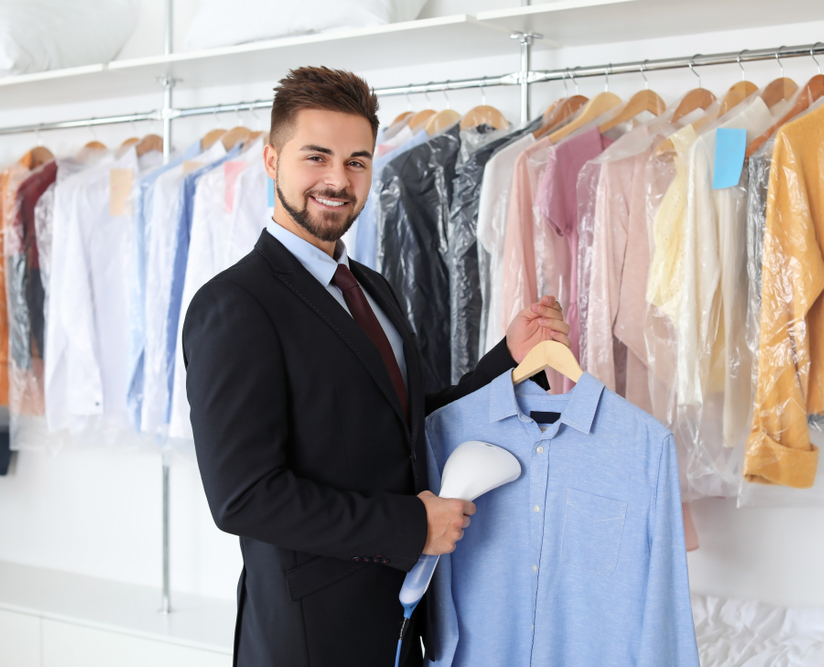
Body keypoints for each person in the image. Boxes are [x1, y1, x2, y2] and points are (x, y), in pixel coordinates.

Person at [183, 66, 571, 667]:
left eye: (357, 162)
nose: (338, 180)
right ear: (270, 159)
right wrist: (410, 527)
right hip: (312, 639)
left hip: (404, 619)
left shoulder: (372, 289)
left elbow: (409, 425)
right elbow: (245, 497)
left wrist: (510, 358)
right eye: (317, 158)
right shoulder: (234, 304)